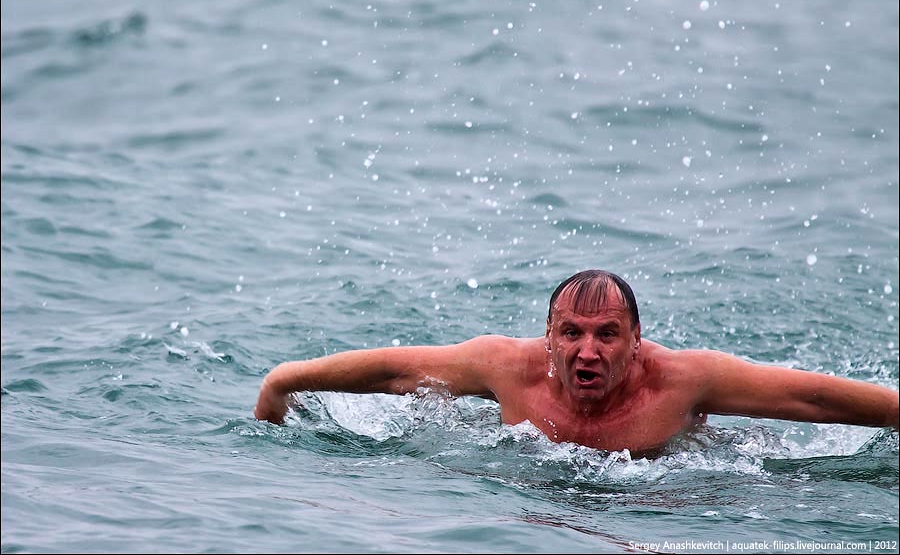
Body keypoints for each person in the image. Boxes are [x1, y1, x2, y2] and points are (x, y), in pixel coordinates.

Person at [254, 269, 899, 454]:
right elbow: (391, 370)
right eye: (572, 334)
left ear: (637, 340)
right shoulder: (505, 367)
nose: (586, 351)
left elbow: (811, 399)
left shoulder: (685, 380)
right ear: (549, 336)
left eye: (607, 335)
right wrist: (283, 381)